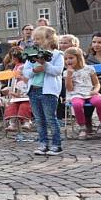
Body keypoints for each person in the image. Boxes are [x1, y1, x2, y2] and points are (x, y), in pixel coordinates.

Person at [23, 26, 64, 156]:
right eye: (34, 38)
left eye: (38, 38)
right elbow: (26, 72)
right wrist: (34, 70)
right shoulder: (32, 53)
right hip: (34, 90)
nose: (35, 41)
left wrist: (44, 64)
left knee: (51, 118)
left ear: (48, 39)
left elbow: (57, 71)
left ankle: (56, 144)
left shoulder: (57, 54)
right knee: (39, 120)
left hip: (48, 92)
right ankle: (43, 144)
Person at [64, 47, 101, 139]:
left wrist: (96, 90)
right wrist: (69, 76)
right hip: (76, 94)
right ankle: (83, 127)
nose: (68, 61)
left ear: (79, 58)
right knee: (77, 105)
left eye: (71, 58)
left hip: (90, 92)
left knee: (99, 101)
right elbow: (69, 88)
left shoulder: (89, 69)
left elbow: (96, 83)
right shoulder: (66, 73)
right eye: (66, 59)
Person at [1, 49, 32, 133]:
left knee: (24, 106)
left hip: (27, 99)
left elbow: (28, 93)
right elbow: (17, 94)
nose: (20, 76)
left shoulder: (30, 82)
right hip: (18, 98)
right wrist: (11, 92)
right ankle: (12, 123)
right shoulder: (18, 84)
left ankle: (27, 122)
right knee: (12, 106)